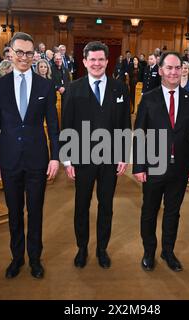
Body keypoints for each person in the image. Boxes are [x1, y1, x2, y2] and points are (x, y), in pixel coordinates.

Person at [0, 32, 60, 279]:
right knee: (15, 212)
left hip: (37, 159)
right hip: (8, 160)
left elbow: (53, 123)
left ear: (34, 55)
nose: (24, 57)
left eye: (29, 53)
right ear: (10, 52)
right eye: (19, 52)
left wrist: (55, 157)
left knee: (36, 212)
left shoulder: (45, 85)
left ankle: (35, 259)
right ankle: (17, 258)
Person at [61, 41, 131, 269]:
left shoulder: (119, 88)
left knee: (106, 205)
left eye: (101, 59)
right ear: (84, 62)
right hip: (82, 158)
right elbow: (67, 124)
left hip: (110, 158)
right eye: (92, 59)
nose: (97, 63)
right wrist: (68, 159)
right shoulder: (73, 88)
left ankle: (102, 249)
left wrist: (123, 155)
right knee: (82, 205)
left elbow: (124, 124)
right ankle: (82, 248)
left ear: (107, 61)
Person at [132, 52, 189, 272]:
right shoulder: (148, 98)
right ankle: (149, 252)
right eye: (169, 68)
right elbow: (139, 134)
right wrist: (139, 166)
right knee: (149, 211)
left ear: (183, 70)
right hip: (153, 166)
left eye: (177, 68)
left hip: (180, 168)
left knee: (173, 212)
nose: (174, 72)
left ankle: (168, 252)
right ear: (161, 70)